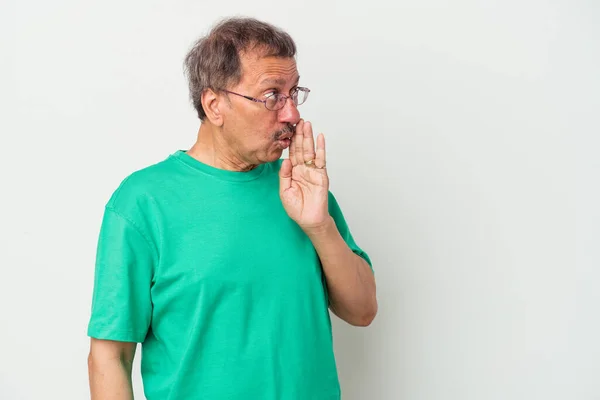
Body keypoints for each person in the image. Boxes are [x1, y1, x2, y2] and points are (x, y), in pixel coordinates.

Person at [87, 17, 377, 400]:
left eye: (294, 93)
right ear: (214, 105)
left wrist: (319, 225)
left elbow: (362, 311)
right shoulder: (143, 202)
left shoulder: (301, 187)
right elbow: (110, 356)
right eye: (272, 95)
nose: (291, 114)